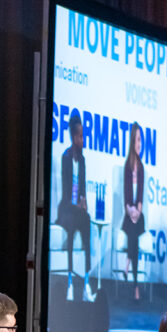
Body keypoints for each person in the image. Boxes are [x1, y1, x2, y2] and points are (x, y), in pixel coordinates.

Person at [57, 109, 95, 302]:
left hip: (78, 210)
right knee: (71, 226)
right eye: (80, 136)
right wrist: (76, 204)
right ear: (73, 137)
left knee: (86, 221)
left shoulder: (83, 160)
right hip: (65, 209)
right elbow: (65, 192)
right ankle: (70, 282)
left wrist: (84, 202)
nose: (82, 140)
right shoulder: (65, 158)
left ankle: (87, 282)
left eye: (83, 136)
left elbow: (82, 189)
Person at [121, 121, 146, 300]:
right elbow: (126, 195)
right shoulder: (127, 166)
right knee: (134, 236)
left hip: (138, 215)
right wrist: (131, 211)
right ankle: (136, 287)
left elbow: (141, 198)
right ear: (132, 141)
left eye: (141, 140)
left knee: (135, 229)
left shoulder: (142, 167)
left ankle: (128, 263)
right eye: (137, 140)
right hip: (129, 213)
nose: (139, 144)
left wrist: (137, 211)